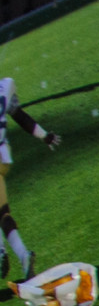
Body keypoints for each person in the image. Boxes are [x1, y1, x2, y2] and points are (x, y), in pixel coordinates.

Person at [0, 70, 65, 278]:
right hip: (3, 158)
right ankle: (23, 254)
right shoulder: (6, 86)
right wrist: (44, 135)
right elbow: (19, 115)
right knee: (3, 213)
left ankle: (1, 252)